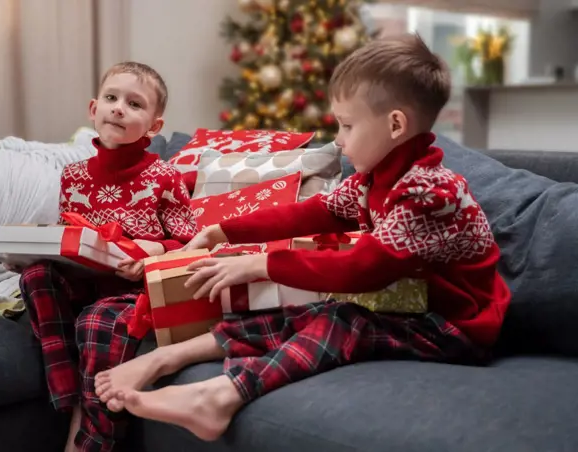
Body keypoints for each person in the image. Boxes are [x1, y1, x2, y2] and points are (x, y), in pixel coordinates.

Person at [94, 34, 512, 441]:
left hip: (454, 327)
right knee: (297, 314)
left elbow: (361, 268)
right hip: (411, 303)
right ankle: (168, 356)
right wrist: (223, 230)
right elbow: (316, 212)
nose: (340, 140)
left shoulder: (427, 193)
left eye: (347, 126)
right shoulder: (374, 180)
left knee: (342, 319)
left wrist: (258, 263)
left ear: (395, 125)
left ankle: (221, 396)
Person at [17, 61, 197, 452]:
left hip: (131, 290)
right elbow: (74, 234)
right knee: (34, 276)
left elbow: (190, 240)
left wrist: (154, 250)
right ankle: (67, 389)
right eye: (112, 98)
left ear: (154, 126)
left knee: (96, 320)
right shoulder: (74, 176)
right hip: (83, 278)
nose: (119, 108)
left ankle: (95, 435)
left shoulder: (164, 176)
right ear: (93, 109)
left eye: (135, 104)